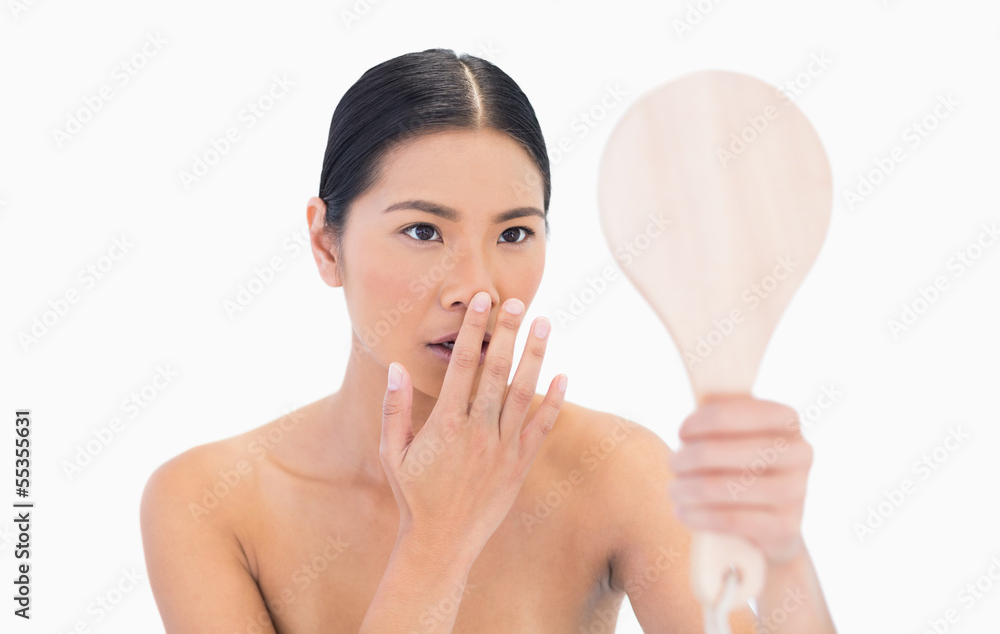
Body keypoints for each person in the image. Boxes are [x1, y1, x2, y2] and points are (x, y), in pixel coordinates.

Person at [140, 48, 837, 633]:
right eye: (423, 231)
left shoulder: (617, 473)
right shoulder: (208, 502)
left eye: (514, 233)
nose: (477, 288)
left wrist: (782, 558)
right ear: (327, 244)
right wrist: (437, 540)